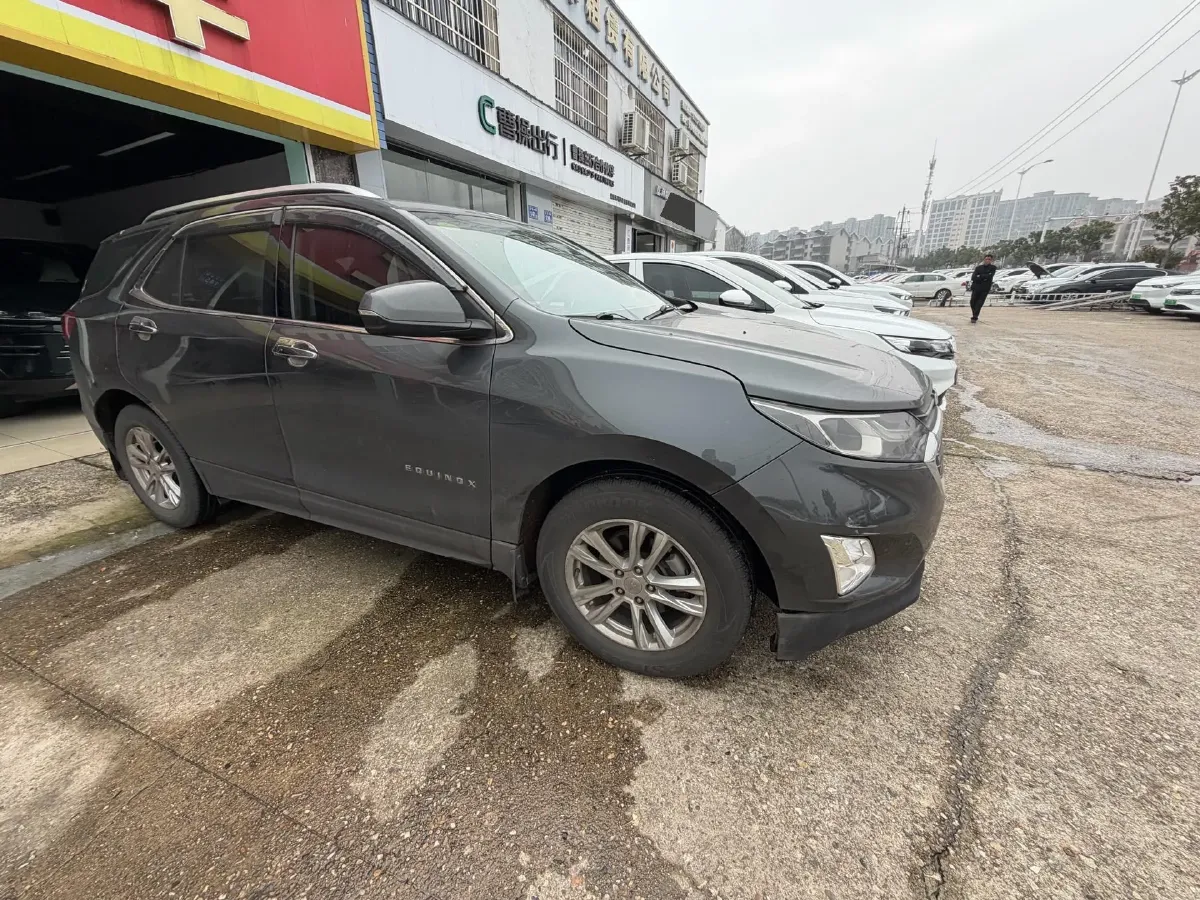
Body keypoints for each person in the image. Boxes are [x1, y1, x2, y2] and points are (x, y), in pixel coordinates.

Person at [969, 254, 997, 323]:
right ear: (984, 259)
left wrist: (980, 276)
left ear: (991, 260)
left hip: (985, 288)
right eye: (986, 259)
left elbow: (989, 277)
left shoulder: (993, 268)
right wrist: (983, 277)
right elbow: (973, 277)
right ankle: (974, 313)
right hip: (976, 287)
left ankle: (975, 316)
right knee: (972, 302)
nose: (987, 260)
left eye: (989, 259)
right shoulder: (978, 268)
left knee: (979, 303)